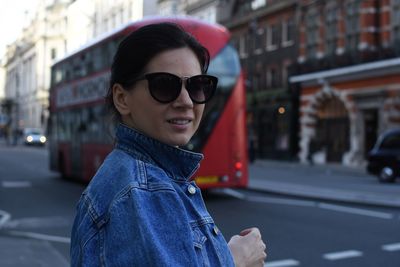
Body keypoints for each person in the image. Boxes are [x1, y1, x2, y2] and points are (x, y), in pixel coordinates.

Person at [70, 22, 267, 266]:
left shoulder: (137, 178)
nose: (185, 101)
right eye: (164, 85)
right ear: (122, 99)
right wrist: (237, 260)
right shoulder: (144, 191)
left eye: (197, 86)